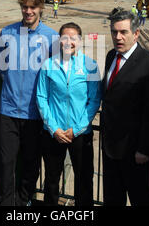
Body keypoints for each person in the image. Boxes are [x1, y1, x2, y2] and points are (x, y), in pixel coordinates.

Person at [0, 0, 58, 206]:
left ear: (41, 8)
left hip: (36, 113)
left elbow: (55, 74)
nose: (28, 11)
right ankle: (5, 204)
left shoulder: (52, 37)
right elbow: (3, 69)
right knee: (6, 162)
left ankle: (23, 202)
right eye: (25, 7)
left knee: (31, 163)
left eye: (33, 7)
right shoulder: (6, 33)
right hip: (9, 110)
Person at [100, 7, 149, 206]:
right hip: (110, 148)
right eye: (114, 32)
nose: (117, 37)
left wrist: (144, 149)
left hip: (134, 151)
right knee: (112, 199)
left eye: (123, 32)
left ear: (136, 34)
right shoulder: (112, 56)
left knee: (141, 199)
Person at [36, 22, 101, 206]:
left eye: (73, 38)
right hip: (53, 134)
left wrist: (78, 128)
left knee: (84, 181)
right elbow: (42, 97)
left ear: (80, 41)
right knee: (51, 181)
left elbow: (94, 100)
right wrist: (54, 128)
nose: (69, 42)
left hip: (80, 134)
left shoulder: (90, 66)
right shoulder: (48, 65)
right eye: (65, 37)